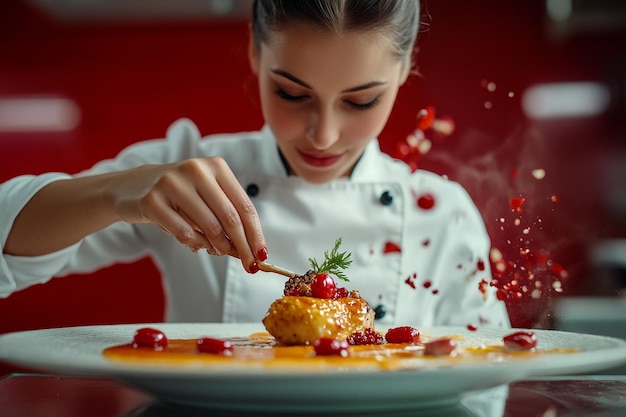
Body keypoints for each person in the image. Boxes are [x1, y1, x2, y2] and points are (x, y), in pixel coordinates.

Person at [0, 0, 510, 328]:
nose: (324, 135)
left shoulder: (441, 214)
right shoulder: (184, 170)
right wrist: (118, 192)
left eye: (360, 101)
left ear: (403, 70)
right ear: (253, 52)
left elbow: (485, 380)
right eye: (291, 93)